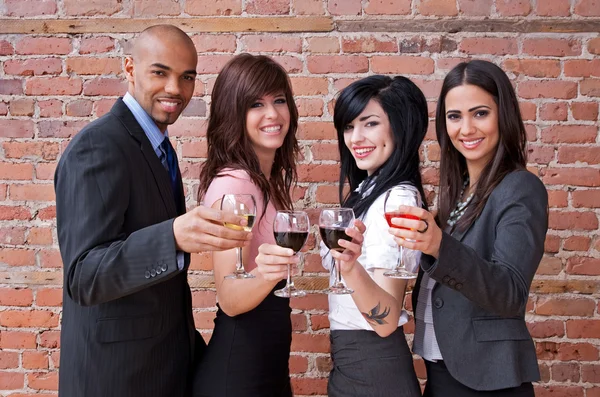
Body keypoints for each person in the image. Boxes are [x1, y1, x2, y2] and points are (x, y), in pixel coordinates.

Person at [54, 25, 252, 397]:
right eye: (160, 72)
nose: (175, 89)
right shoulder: (97, 147)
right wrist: (173, 236)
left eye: (187, 77)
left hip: (160, 367)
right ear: (130, 68)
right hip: (115, 379)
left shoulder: (158, 145)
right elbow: (83, 275)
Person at [389, 60, 548, 396]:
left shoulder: (520, 188)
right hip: (442, 372)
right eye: (454, 116)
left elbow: (510, 293)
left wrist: (438, 246)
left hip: (487, 380)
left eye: (480, 113)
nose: (466, 129)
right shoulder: (458, 190)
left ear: (502, 115)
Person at [192, 53, 302, 397]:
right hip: (239, 376)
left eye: (279, 100)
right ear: (234, 114)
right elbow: (230, 297)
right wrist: (270, 273)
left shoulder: (267, 182)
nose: (272, 114)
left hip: (266, 368)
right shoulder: (235, 185)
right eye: (256, 104)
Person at [319, 75, 427, 397]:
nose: (356, 138)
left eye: (370, 124)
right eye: (349, 126)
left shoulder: (398, 201)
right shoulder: (369, 191)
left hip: (374, 368)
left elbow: (385, 320)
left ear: (400, 127)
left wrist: (350, 269)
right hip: (353, 363)